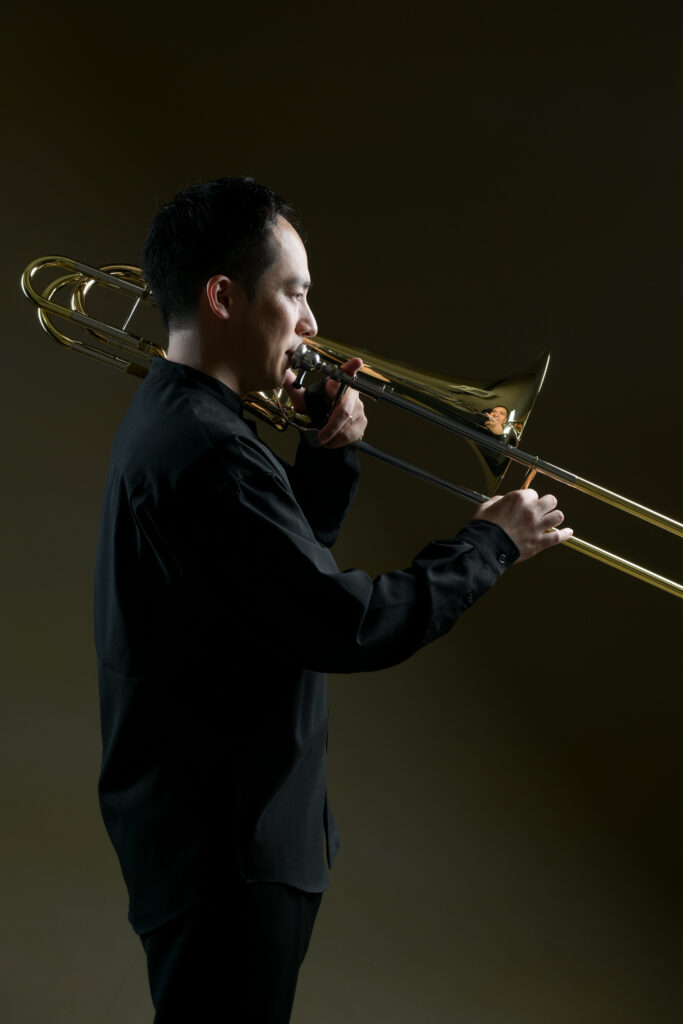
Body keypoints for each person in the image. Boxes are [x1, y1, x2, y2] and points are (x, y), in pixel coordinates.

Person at [93, 177, 572, 1023]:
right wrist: (490, 544)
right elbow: (343, 625)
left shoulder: (187, 425)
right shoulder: (209, 451)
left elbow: (268, 596)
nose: (313, 323)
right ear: (223, 297)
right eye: (295, 293)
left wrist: (326, 454)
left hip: (218, 837)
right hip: (230, 849)